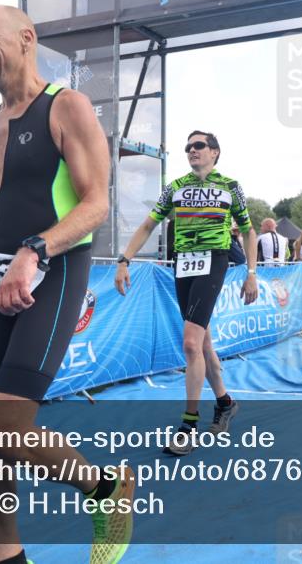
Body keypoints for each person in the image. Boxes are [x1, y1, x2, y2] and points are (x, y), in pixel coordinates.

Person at [0, 5, 128, 564]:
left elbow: (96, 203)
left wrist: (35, 251)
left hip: (53, 273)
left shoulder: (67, 106)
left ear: (26, 39)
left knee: (3, 433)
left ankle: (108, 489)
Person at [115, 130, 258, 456]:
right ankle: (225, 402)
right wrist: (125, 260)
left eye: (198, 146)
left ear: (214, 152)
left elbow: (249, 232)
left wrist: (251, 273)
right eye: (188, 147)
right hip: (184, 265)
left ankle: (187, 426)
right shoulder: (176, 188)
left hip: (215, 260)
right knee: (203, 343)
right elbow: (149, 225)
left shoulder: (230, 187)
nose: (191, 151)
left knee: (191, 343)